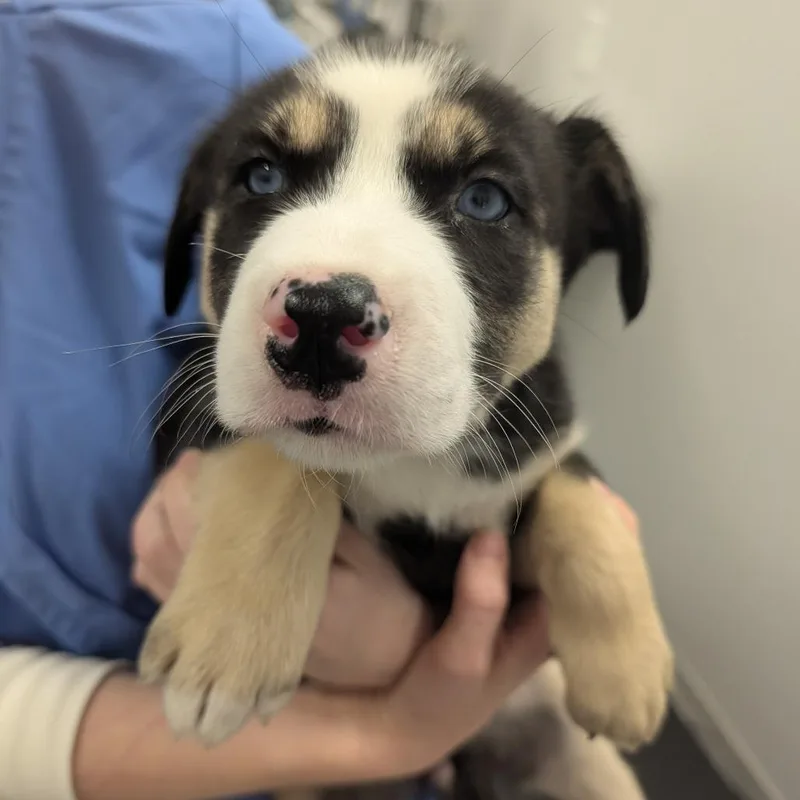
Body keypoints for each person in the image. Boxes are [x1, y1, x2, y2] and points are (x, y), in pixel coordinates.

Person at [0, 1, 637, 798]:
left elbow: (550, 494)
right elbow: (204, 426)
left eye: (484, 199)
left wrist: (588, 563)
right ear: (194, 230)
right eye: (263, 178)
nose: (330, 288)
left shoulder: (197, 37)